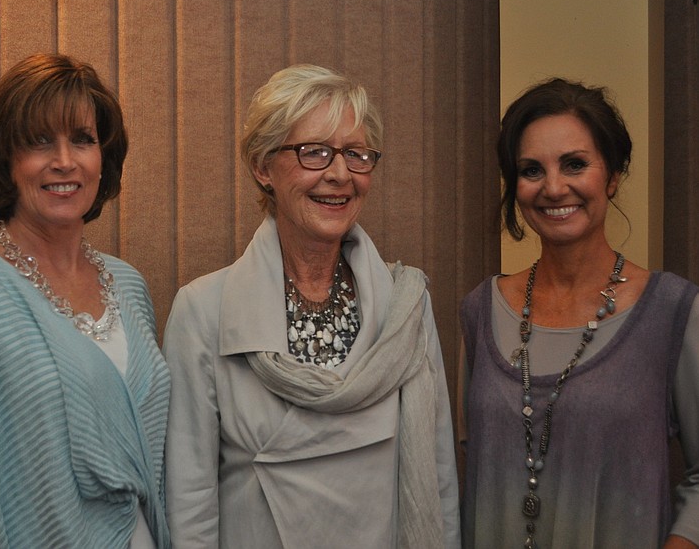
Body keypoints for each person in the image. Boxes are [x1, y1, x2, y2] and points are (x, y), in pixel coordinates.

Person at [163, 63, 460, 549]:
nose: (340, 174)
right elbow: (190, 501)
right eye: (314, 152)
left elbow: (438, 478)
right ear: (263, 168)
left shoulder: (406, 306)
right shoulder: (204, 311)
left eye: (357, 154)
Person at [0, 53, 171, 548]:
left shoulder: (129, 286)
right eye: (40, 140)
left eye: (82, 140)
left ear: (103, 158)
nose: (64, 160)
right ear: (5, 158)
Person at [459, 78, 699, 548]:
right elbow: (468, 467)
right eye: (531, 170)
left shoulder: (673, 312)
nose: (553, 187)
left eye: (574, 164)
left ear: (612, 175)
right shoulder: (480, 310)